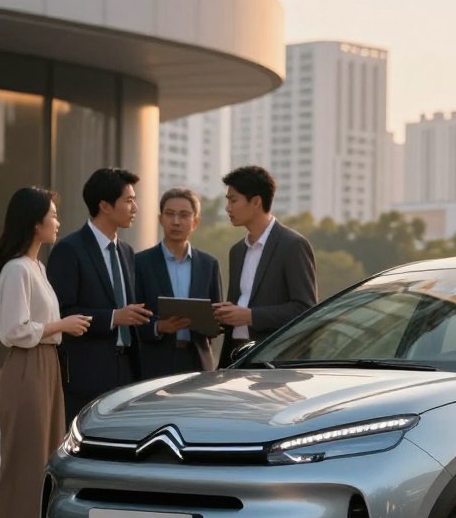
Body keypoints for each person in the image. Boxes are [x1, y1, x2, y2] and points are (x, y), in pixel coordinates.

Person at [0, 188, 91, 518]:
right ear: (34, 222)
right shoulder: (17, 270)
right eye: (53, 214)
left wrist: (58, 331)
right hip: (26, 368)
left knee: (40, 464)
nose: (58, 221)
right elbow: (13, 331)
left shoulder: (37, 268)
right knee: (19, 463)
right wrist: (62, 326)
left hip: (46, 367)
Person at [46, 168, 152, 425]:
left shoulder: (126, 251)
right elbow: (63, 312)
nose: (135, 207)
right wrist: (114, 318)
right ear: (104, 205)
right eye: (128, 200)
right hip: (87, 373)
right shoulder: (69, 250)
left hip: (127, 371)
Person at [214, 165, 316, 367]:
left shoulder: (293, 245)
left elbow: (305, 309)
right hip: (235, 360)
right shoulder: (237, 251)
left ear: (256, 202)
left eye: (233, 200)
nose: (228, 208)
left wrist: (250, 316)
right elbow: (239, 305)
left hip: (275, 364)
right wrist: (223, 314)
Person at [135, 187, 223, 377]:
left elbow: (217, 316)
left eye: (184, 215)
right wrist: (158, 327)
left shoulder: (209, 264)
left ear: (195, 221)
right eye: (170, 214)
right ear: (160, 219)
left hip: (198, 362)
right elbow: (131, 318)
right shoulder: (139, 263)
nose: (176, 221)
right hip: (155, 362)